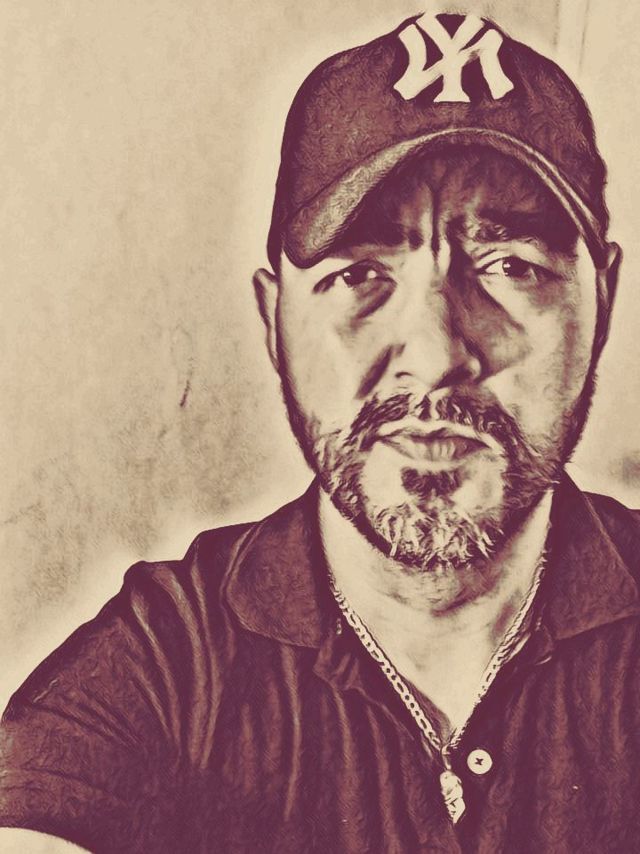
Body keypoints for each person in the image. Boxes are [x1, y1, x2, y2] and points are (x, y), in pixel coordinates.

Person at [0, 9, 637, 853]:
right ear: (275, 321)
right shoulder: (165, 664)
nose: (436, 358)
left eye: (512, 267)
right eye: (359, 273)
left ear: (603, 305)